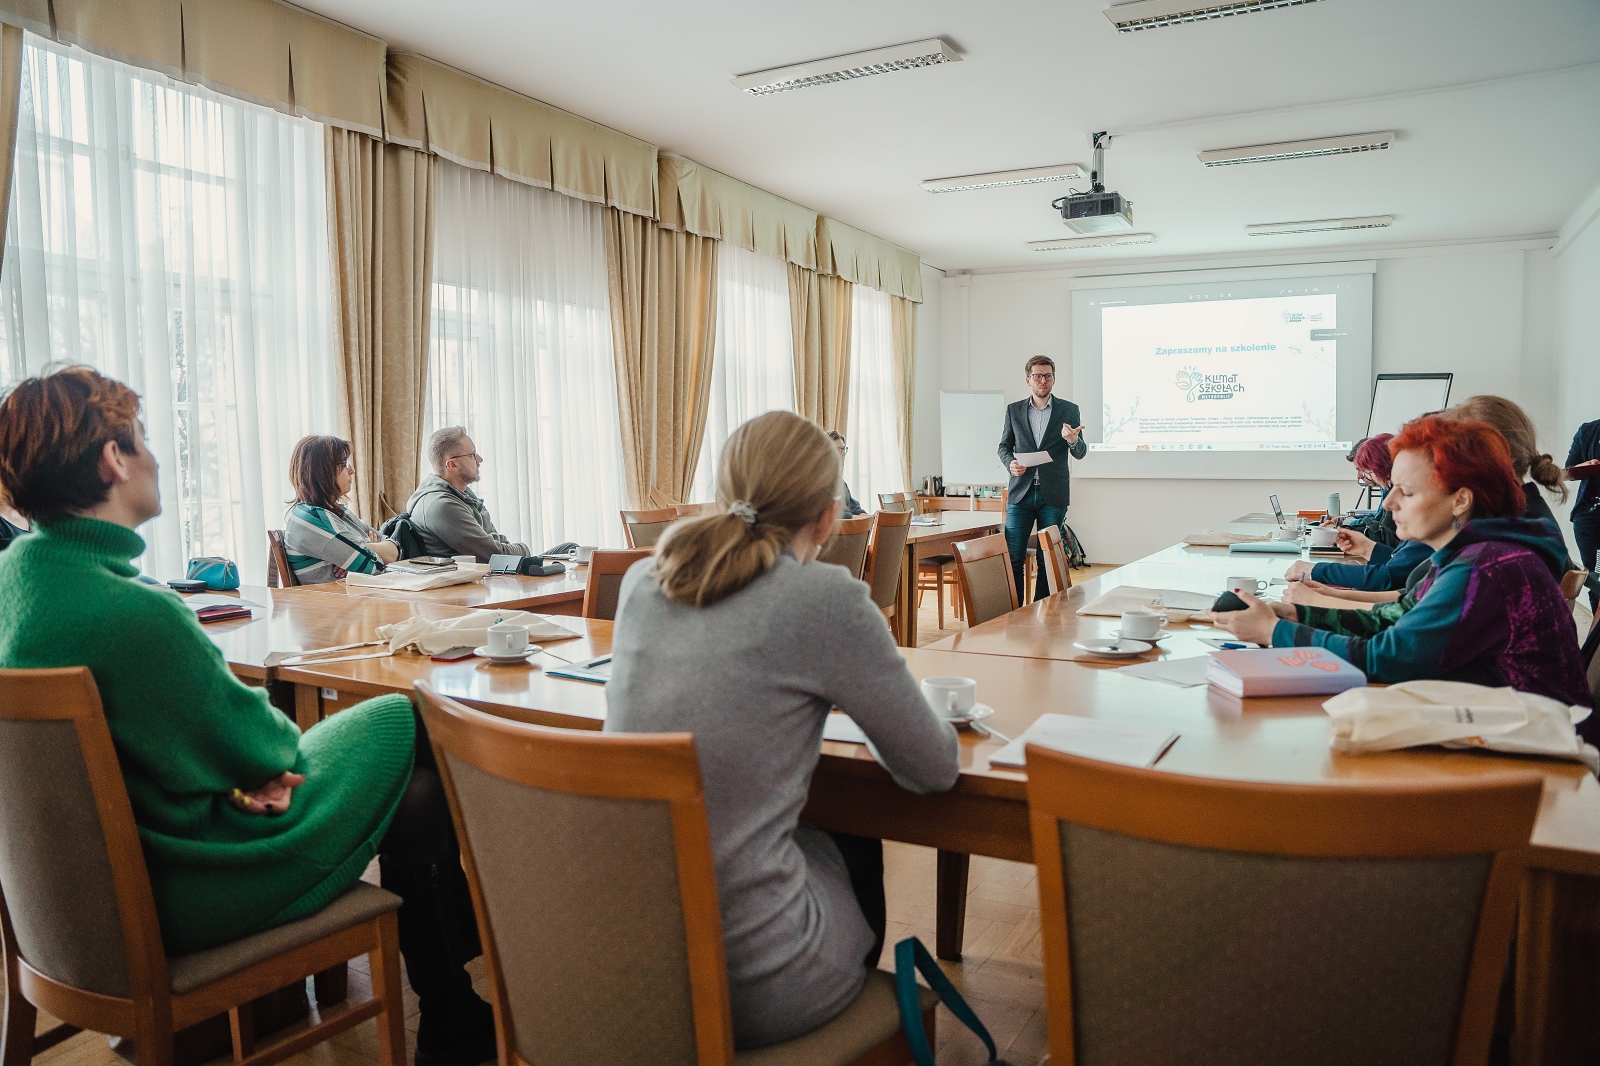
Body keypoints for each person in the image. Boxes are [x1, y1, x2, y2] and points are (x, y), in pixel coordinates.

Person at [0, 367, 495, 1066]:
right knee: (409, 723)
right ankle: (455, 1000)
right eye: (142, 439)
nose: (155, 456)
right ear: (113, 459)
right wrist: (260, 767)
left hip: (86, 905)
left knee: (410, 781)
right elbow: (274, 750)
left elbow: (211, 745)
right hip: (195, 885)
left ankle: (453, 1003)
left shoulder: (15, 583)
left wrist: (249, 767)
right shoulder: (134, 613)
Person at [606, 411, 959, 1048]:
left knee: (802, 834)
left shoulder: (641, 580)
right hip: (756, 985)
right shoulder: (824, 598)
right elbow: (931, 768)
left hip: (632, 966)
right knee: (851, 837)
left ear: (723, 494)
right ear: (828, 516)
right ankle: (858, 1028)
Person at [1215, 416, 1593, 727]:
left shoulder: (1486, 569)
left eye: (1406, 492)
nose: (1390, 502)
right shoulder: (1468, 553)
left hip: (1542, 766)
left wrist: (1274, 631)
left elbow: (1389, 658)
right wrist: (1295, 614)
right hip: (1498, 728)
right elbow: (1391, 620)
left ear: (1460, 499)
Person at [1284, 434, 1431, 591]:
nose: (1387, 503)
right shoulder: (1429, 537)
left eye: (1406, 491)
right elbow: (1398, 567)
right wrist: (1366, 548)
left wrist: (1316, 571)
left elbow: (1389, 577)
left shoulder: (1429, 533)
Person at [998, 355, 1087, 602]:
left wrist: (1072, 440)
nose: (1043, 381)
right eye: (1037, 376)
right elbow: (1004, 447)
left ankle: (1041, 612)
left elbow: (1080, 453)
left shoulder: (1069, 410)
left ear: (1054, 379)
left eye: (1048, 376)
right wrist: (1011, 464)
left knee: (1046, 557)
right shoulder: (1014, 410)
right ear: (1028, 380)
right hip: (1021, 494)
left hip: (1053, 495)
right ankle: (1014, 614)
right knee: (1013, 556)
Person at [282, 435, 400, 583]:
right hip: (337, 603)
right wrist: (367, 551)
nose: (352, 470)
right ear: (323, 471)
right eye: (344, 464)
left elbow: (397, 550)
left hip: (359, 599)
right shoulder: (312, 518)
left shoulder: (335, 511)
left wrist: (362, 549)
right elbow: (374, 567)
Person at [406, 427, 530, 562]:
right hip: (471, 581)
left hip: (492, 577)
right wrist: (525, 549)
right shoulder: (441, 505)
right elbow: (495, 554)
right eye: (472, 455)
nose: (480, 459)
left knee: (557, 553)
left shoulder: (462, 494)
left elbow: (497, 541)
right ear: (452, 465)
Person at [1565, 415, 1600, 610]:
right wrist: (1585, 467)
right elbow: (1567, 473)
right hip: (1589, 519)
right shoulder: (1588, 431)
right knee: (1598, 575)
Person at [828, 431, 866, 516]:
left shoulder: (841, 483)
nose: (843, 454)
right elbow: (829, 515)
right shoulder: (817, 483)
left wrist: (872, 518)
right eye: (839, 450)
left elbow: (855, 508)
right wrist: (853, 517)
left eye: (844, 449)